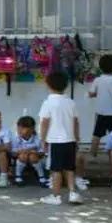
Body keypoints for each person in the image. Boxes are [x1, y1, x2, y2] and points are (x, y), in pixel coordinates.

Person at [39, 71, 82, 205]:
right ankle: (73, 192)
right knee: (69, 168)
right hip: (70, 140)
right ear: (66, 86)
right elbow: (76, 122)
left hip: (55, 140)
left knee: (56, 169)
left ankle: (56, 195)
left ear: (48, 85)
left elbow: (45, 123)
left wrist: (43, 139)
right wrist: (77, 138)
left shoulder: (48, 103)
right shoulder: (70, 102)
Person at [88, 54, 112, 158]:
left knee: (96, 135)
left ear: (100, 67)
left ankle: (92, 155)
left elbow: (91, 94)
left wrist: (95, 94)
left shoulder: (97, 80)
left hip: (102, 113)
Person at [12, 116, 47, 187]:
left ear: (32, 129)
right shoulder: (15, 138)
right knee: (23, 156)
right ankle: (18, 177)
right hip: (20, 158)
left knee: (33, 156)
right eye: (18, 128)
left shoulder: (37, 138)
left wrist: (34, 152)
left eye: (23, 128)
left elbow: (42, 153)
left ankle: (41, 177)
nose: (20, 130)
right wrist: (22, 151)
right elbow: (13, 153)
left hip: (35, 158)